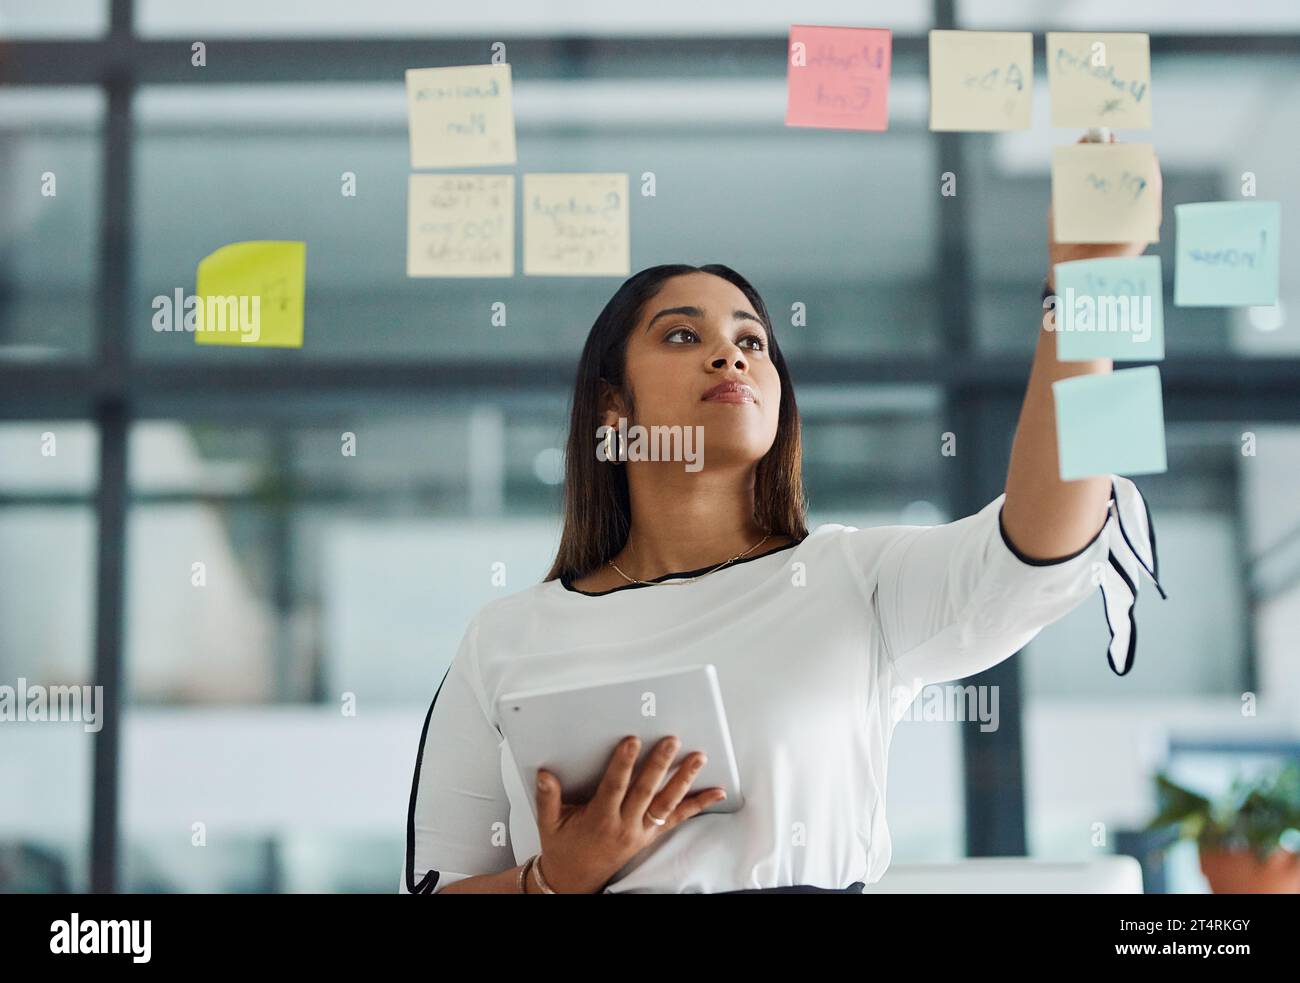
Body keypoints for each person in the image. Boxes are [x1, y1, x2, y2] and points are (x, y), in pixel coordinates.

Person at [400, 137, 1167, 894]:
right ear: (613, 407)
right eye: (681, 334)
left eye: (751, 340)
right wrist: (550, 881)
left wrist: (1088, 277)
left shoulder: (854, 581)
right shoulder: (502, 639)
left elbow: (1044, 540)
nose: (730, 355)